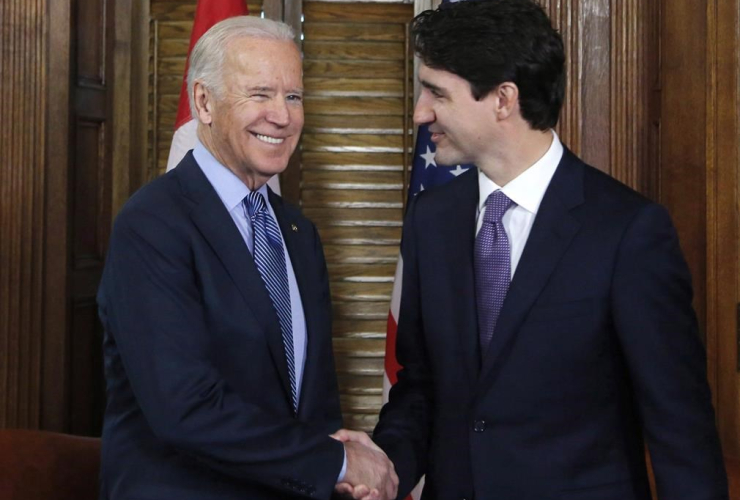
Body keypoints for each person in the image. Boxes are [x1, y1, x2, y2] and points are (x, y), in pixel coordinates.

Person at [340, 1, 730, 499]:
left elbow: (681, 431)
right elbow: (421, 388)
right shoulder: (431, 220)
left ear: (503, 99)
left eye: (437, 91)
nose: (420, 112)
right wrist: (385, 468)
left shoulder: (628, 232)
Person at [96, 16, 396, 500]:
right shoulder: (153, 224)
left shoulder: (299, 232)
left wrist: (333, 474)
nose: (282, 115)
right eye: (260, 94)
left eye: (293, 96)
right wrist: (337, 462)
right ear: (204, 102)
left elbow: (313, 404)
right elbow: (185, 409)